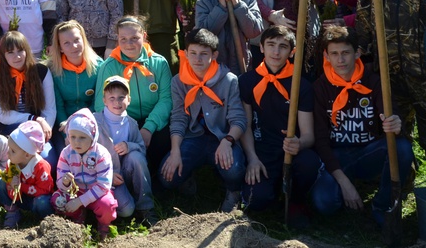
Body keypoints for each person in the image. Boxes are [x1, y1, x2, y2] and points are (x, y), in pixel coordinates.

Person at [310, 26, 414, 224]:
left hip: (369, 152)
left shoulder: (373, 81)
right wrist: (344, 183)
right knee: (324, 203)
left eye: (346, 53)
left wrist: (395, 123)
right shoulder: (320, 88)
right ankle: (344, 193)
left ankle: (382, 205)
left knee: (402, 148)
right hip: (337, 157)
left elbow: (389, 114)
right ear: (326, 56)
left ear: (357, 53)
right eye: (334, 54)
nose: (340, 60)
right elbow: (321, 142)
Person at [355, 0, 426, 152]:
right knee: (396, 134)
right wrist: (364, 51)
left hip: (424, 67)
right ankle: (400, 185)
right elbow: (364, 10)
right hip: (390, 67)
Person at [160, 28, 247, 212]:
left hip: (221, 138)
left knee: (235, 169)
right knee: (167, 177)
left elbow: (238, 119)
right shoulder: (179, 81)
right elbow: (178, 117)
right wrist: (175, 150)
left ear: (214, 55)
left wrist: (228, 140)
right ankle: (187, 175)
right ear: (185, 54)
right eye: (193, 53)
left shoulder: (229, 80)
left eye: (203, 54)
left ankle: (234, 192)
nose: (197, 59)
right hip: (193, 138)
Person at [239, 26, 319, 218]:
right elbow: (246, 125)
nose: (276, 52)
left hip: (290, 151)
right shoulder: (247, 81)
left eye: (283, 46)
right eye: (271, 45)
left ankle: (296, 199)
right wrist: (252, 158)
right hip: (261, 151)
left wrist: (299, 143)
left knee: (309, 162)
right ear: (261, 48)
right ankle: (272, 190)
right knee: (256, 201)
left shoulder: (301, 84)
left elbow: (309, 136)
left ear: (292, 52)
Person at [94, 16, 172, 173]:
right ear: (117, 39)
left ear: (144, 35)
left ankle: (164, 176)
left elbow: (166, 99)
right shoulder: (108, 66)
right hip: (123, 121)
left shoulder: (159, 62)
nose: (129, 44)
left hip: (154, 120)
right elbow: (100, 104)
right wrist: (129, 126)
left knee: (165, 139)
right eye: (123, 39)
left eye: (134, 38)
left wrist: (148, 128)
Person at [0, 31, 57, 168]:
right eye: (10, 52)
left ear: (27, 50)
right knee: (14, 160)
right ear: (3, 55)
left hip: (38, 129)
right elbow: (3, 115)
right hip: (11, 127)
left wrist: (41, 132)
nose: (17, 56)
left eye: (20, 50)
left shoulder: (41, 71)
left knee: (50, 162)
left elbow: (50, 109)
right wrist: (35, 118)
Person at [94, 75, 155, 224]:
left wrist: (129, 146)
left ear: (129, 100)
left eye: (121, 97)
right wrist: (107, 174)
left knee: (136, 157)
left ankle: (145, 207)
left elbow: (141, 148)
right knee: (126, 211)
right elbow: (85, 152)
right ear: (104, 100)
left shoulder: (131, 124)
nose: (117, 102)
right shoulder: (95, 121)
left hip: (124, 174)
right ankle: (100, 208)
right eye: (112, 98)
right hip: (102, 176)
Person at [52, 108, 117, 238]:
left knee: (107, 205)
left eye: (82, 137)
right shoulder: (66, 153)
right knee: (56, 200)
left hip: (97, 193)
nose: (77, 142)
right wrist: (65, 183)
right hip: (76, 191)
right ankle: (78, 217)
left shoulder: (101, 154)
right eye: (73, 137)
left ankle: (103, 226)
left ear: (92, 136)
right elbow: (60, 183)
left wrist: (80, 201)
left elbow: (103, 186)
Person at [195, 0, 263, 73]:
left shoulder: (248, 0)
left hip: (241, 65)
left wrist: (238, 6)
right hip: (214, 67)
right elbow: (203, 35)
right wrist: (220, 8)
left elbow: (254, 31)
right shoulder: (204, 3)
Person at [47, 21, 101, 147]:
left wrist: (83, 125)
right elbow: (57, 105)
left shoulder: (99, 66)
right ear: (60, 47)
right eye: (67, 43)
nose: (74, 46)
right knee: (65, 153)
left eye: (77, 40)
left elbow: (97, 103)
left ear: (84, 40)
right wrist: (67, 131)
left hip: (91, 123)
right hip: (63, 125)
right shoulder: (53, 70)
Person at [0, 120, 54, 228]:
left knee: (43, 202)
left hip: (36, 200)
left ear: (27, 154)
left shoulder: (40, 167)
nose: (8, 153)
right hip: (22, 199)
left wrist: (22, 187)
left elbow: (45, 190)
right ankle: (13, 212)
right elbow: (14, 194)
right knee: (1, 182)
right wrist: (12, 187)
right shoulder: (13, 164)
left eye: (13, 151)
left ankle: (46, 221)